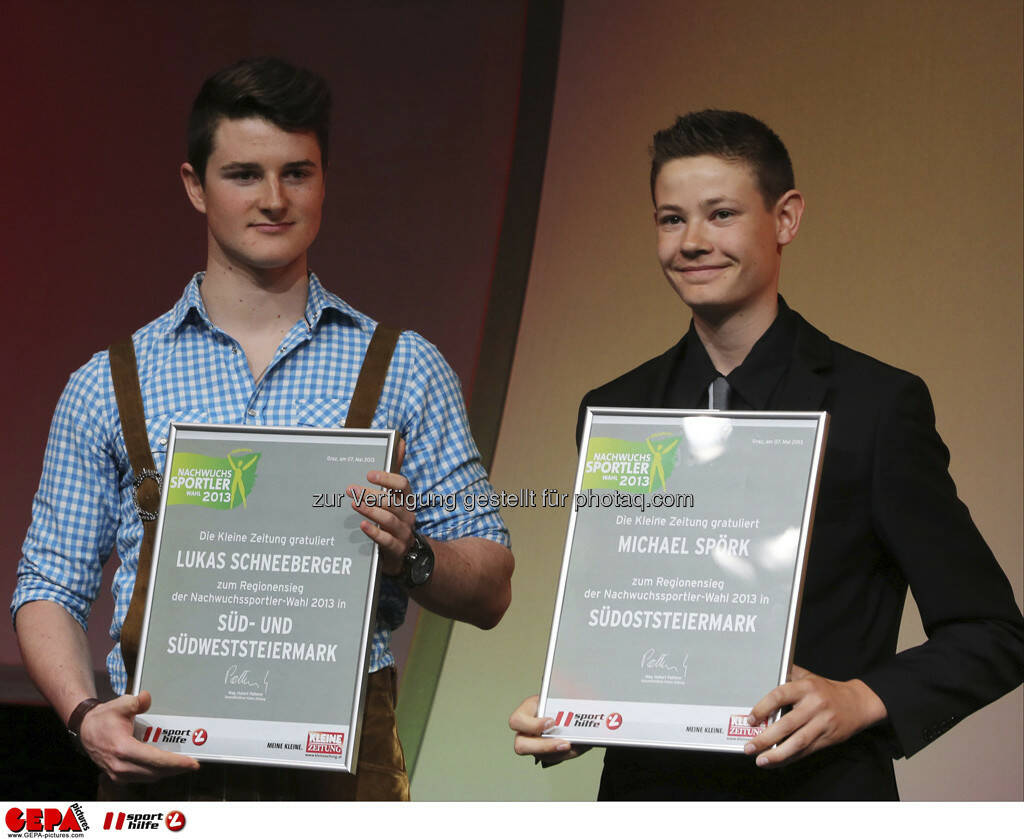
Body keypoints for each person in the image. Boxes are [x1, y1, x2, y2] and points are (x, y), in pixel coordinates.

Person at [11, 57, 514, 801]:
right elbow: (49, 582)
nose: (274, 199)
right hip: (159, 761)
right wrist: (85, 715)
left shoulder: (405, 367)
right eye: (244, 173)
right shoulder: (108, 384)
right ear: (194, 185)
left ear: (323, 181)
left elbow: (493, 584)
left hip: (338, 773)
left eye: (298, 173)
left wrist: (413, 553)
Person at [508, 109, 1024, 800]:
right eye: (670, 219)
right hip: (648, 795)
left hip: (814, 792)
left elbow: (992, 632)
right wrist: (576, 709)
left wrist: (862, 698)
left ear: (785, 218)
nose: (691, 242)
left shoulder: (875, 407)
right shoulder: (617, 412)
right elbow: (634, 617)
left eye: (720, 214)